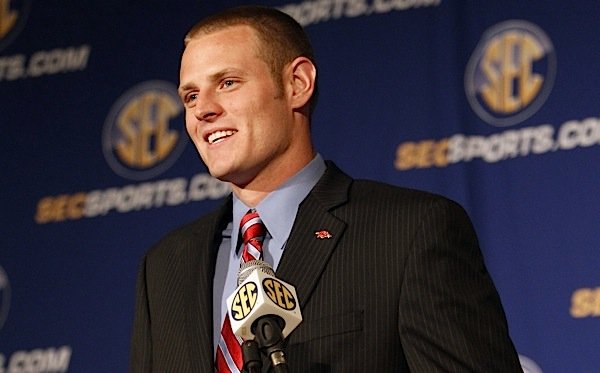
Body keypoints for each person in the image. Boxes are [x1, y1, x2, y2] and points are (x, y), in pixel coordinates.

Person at [130, 5, 523, 373]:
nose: (203, 110)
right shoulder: (165, 268)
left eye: (228, 83)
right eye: (191, 96)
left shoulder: (408, 232)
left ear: (297, 84)